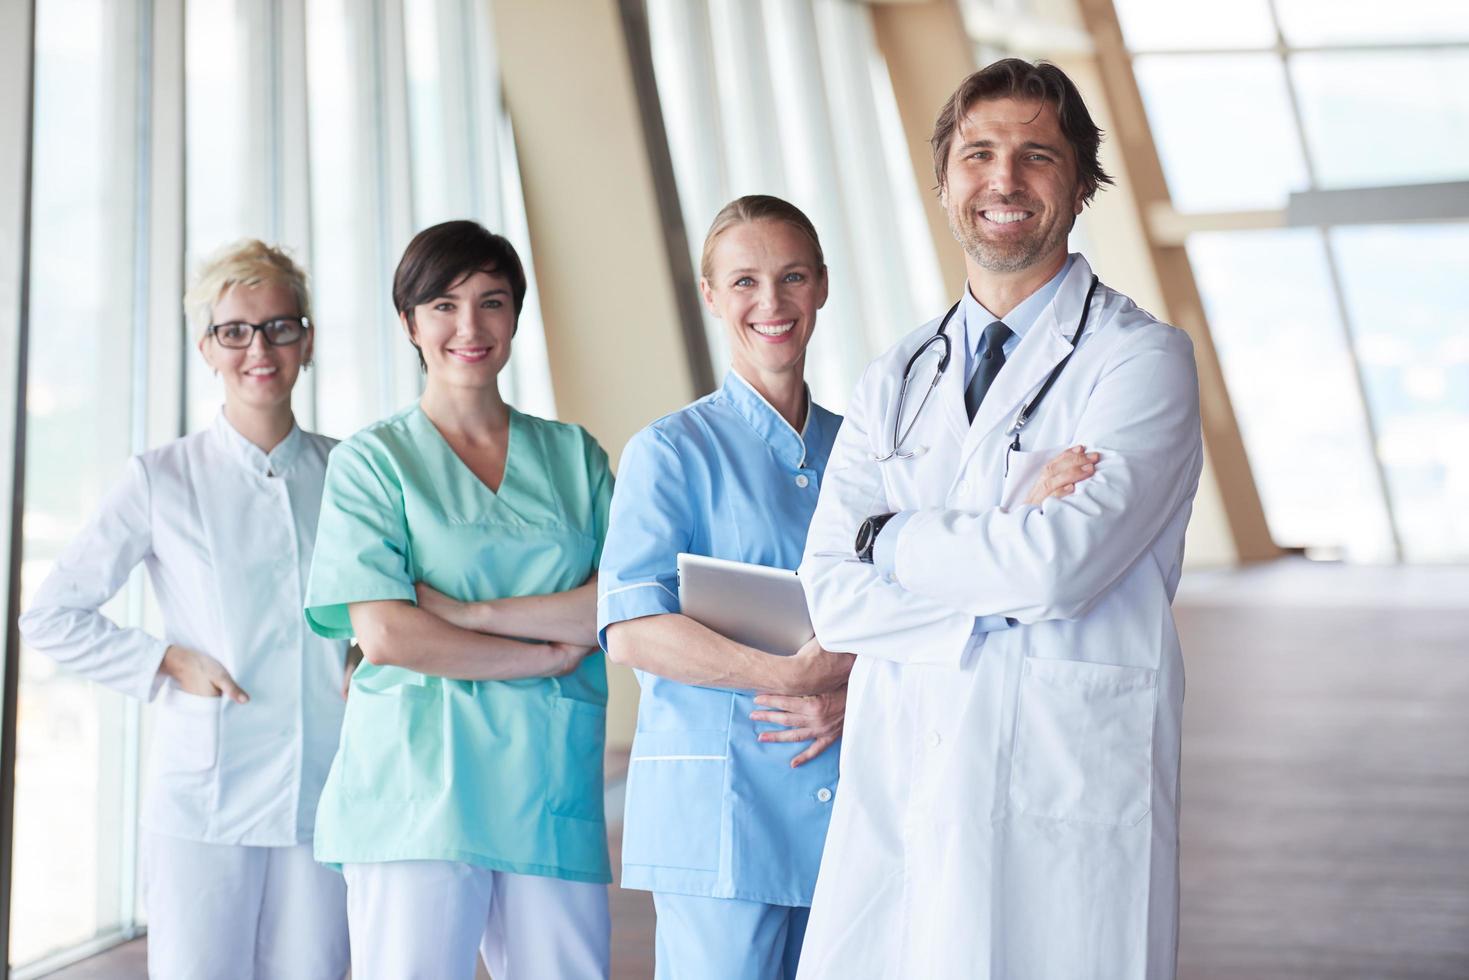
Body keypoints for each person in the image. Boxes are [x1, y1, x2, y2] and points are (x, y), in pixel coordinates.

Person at [597, 195, 1087, 980]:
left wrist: (848, 685)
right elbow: (630, 630)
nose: (771, 303)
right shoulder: (671, 452)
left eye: (792, 277)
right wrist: (787, 676)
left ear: (822, 287)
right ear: (711, 296)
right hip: (721, 814)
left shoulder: (866, 448)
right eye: (745, 281)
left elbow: (938, 578)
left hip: (857, 801)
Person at [796, 59, 1202, 980]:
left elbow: (1058, 568)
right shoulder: (893, 378)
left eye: (1037, 156)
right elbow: (830, 598)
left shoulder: (1139, 363)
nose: (1003, 181)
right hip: (908, 772)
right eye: (977, 153)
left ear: (1082, 182)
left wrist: (888, 537)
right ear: (943, 182)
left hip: (1059, 781)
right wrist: (1003, 534)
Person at [19, 240, 351, 979]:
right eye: (235, 330)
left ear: (308, 340)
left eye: (279, 326)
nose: (258, 348)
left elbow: (384, 602)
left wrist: (364, 653)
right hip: (208, 793)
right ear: (206, 347)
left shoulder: (350, 473)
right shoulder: (159, 479)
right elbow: (50, 616)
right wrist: (164, 660)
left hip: (326, 787)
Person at [303, 220, 612, 980]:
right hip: (417, 789)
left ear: (515, 314)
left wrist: (468, 615)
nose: (468, 326)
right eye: (442, 304)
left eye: (491, 301)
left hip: (547, 783)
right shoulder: (372, 462)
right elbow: (386, 635)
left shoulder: (572, 455)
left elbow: (615, 606)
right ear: (408, 322)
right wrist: (545, 656)